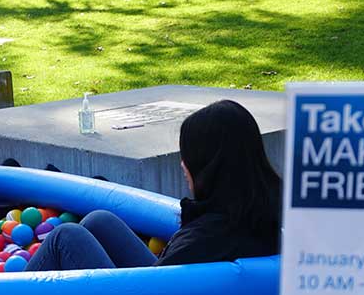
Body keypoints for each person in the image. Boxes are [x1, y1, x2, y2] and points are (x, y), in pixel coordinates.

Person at [27, 99, 281, 271]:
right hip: (171, 288)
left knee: (65, 236)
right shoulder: (257, 213)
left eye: (189, 156)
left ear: (209, 167)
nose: (183, 165)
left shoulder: (200, 240)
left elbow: (152, 294)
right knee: (99, 220)